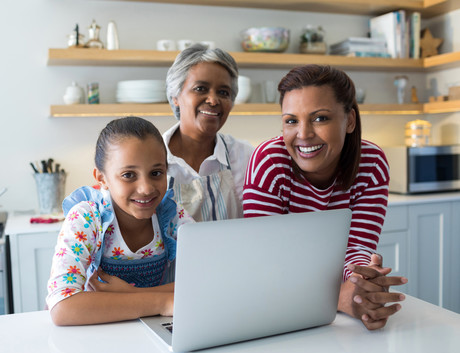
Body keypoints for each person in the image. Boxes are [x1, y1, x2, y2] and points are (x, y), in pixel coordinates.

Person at [242, 64, 408, 330]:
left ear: (350, 120)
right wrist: (339, 298)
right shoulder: (269, 162)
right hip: (276, 308)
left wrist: (362, 282)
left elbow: (357, 249)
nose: (304, 134)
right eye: (291, 120)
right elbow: (266, 262)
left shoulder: (372, 164)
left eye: (320, 118)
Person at [46, 117, 194, 325]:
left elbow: (209, 281)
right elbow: (63, 308)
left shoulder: (171, 215)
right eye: (128, 175)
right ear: (102, 179)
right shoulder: (87, 218)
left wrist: (132, 294)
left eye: (156, 173)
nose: (146, 188)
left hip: (153, 329)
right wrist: (163, 302)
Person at [164, 43, 254, 222]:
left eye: (223, 92)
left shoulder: (246, 157)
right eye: (200, 89)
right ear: (175, 97)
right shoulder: (150, 158)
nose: (213, 100)